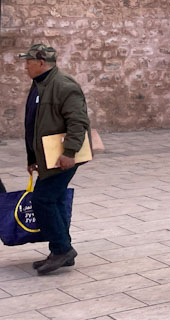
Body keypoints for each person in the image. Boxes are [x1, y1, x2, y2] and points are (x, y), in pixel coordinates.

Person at [18, 43, 90, 275]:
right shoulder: (39, 84)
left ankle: (62, 250)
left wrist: (69, 153)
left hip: (62, 156)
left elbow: (78, 122)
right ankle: (61, 250)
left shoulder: (63, 85)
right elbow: (34, 124)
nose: (25, 66)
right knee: (54, 200)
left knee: (42, 200)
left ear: (41, 62)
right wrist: (32, 157)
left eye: (28, 61)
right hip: (47, 157)